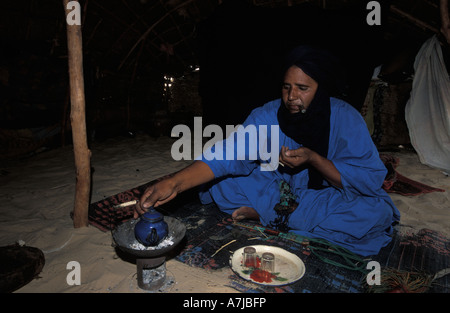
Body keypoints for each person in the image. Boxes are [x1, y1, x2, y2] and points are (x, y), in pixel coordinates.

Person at [135, 45, 400, 257]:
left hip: (326, 196)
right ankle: (279, 215)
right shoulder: (269, 114)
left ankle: (265, 215)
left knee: (375, 212)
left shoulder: (346, 118)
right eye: (287, 86)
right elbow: (230, 152)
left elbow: (366, 179)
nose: (292, 96)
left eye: (303, 88)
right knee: (222, 184)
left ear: (321, 90)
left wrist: (314, 159)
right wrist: (174, 183)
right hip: (276, 188)